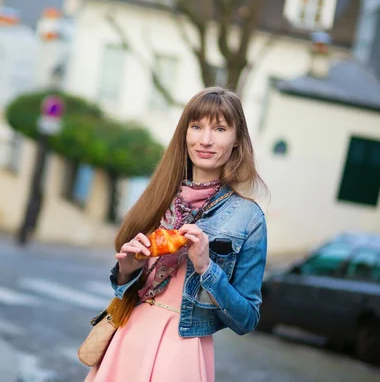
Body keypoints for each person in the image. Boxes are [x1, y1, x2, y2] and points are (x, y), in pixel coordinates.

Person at [85, 86, 268, 382]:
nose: (205, 140)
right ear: (185, 134)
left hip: (182, 347)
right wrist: (127, 270)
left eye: (220, 129)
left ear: (236, 141)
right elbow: (126, 286)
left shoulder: (248, 218)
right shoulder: (159, 197)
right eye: (197, 126)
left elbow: (246, 319)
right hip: (130, 333)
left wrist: (206, 268)